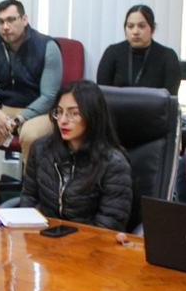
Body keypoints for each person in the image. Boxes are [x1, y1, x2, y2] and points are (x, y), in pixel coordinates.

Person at [19, 80, 133, 230]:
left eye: (74, 113)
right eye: (59, 112)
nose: (63, 121)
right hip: (43, 236)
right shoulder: (41, 149)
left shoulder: (113, 164)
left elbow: (109, 225)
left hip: (88, 241)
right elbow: (29, 198)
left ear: (92, 116)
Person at [0, 0, 60, 163]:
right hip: (5, 110)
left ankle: (30, 180)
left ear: (24, 20)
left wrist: (15, 121)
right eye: (0, 22)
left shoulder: (47, 47)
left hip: (39, 112)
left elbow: (49, 97)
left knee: (30, 135)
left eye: (11, 20)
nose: (5, 27)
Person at [95, 4, 183, 94]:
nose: (135, 32)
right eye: (130, 26)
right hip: (116, 104)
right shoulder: (112, 53)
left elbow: (170, 96)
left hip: (152, 103)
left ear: (152, 29)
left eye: (141, 26)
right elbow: (102, 94)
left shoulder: (167, 56)